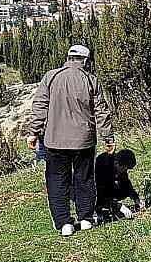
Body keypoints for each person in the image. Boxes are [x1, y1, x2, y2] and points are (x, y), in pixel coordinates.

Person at [27, 44, 114, 238]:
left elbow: (40, 106)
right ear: (85, 60)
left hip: (55, 140)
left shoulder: (51, 76)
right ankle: (85, 219)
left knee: (57, 181)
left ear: (68, 58)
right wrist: (108, 138)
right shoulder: (91, 80)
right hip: (84, 140)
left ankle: (64, 223)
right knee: (84, 179)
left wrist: (33, 132)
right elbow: (101, 111)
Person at [95, 149, 144, 222]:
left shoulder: (120, 166)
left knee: (123, 190)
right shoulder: (103, 166)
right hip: (91, 191)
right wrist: (119, 207)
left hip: (106, 186)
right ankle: (99, 210)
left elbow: (126, 184)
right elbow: (100, 194)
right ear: (116, 163)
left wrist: (136, 199)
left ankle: (110, 206)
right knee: (100, 196)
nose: (125, 171)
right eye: (125, 169)